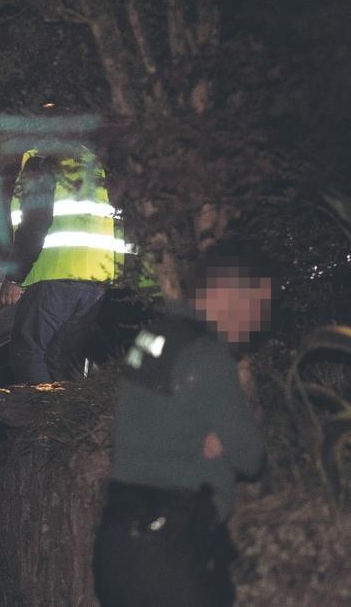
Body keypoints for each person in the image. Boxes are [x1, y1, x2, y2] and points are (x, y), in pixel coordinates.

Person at [92, 243, 270, 606]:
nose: (257, 318)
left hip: (119, 543)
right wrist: (223, 436)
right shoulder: (206, 355)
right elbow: (250, 457)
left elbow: (157, 418)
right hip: (173, 556)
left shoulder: (152, 337)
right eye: (254, 303)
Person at [0, 147, 126, 382]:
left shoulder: (42, 160)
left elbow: (35, 222)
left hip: (57, 274)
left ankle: (43, 407)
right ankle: (60, 405)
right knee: (56, 360)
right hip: (95, 281)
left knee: (27, 354)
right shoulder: (93, 163)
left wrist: (15, 277)